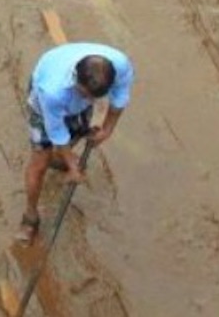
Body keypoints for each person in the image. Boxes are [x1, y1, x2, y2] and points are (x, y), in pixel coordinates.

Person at [18, 41, 134, 244]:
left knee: (74, 134)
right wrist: (73, 166)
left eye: (92, 97)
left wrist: (107, 129)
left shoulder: (121, 66)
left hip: (73, 101)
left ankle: (60, 157)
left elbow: (119, 98)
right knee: (39, 162)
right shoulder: (52, 91)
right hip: (44, 103)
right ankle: (30, 217)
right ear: (75, 79)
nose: (87, 98)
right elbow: (56, 131)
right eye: (83, 93)